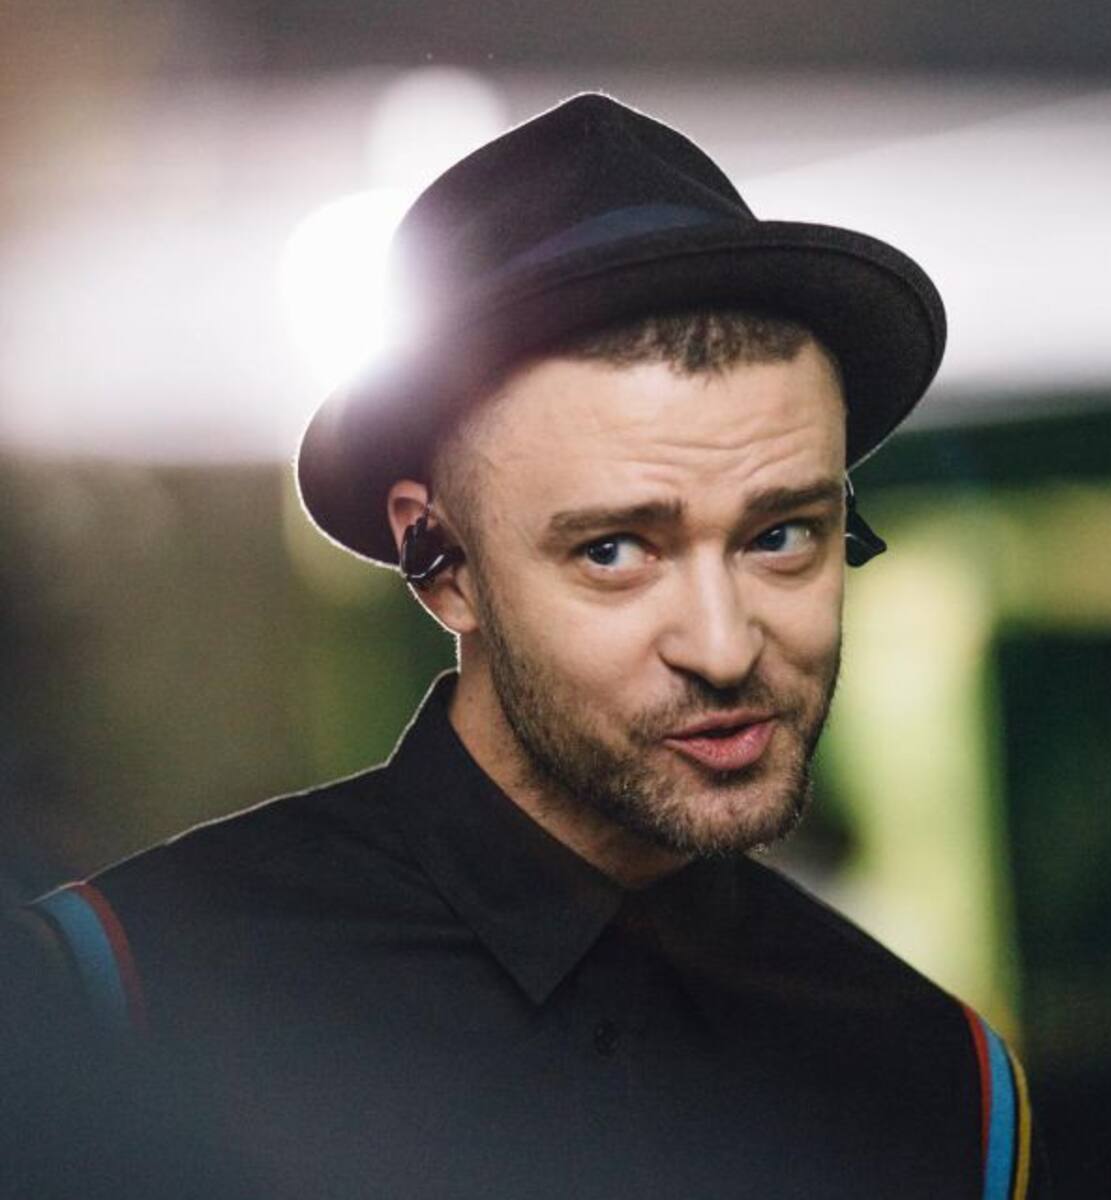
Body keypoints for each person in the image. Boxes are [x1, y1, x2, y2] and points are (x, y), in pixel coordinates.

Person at [13, 94, 1046, 1197]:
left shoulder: (943, 1084)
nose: (723, 646)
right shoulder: (120, 996)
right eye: (614, 551)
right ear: (442, 564)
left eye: (781, 535)